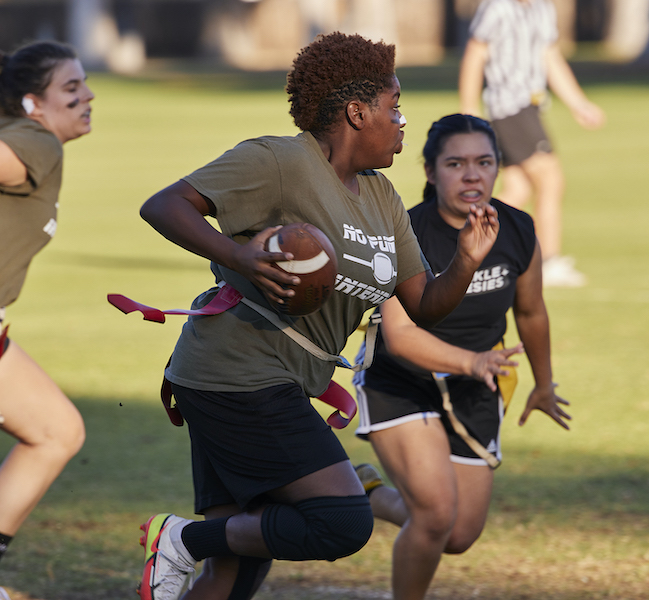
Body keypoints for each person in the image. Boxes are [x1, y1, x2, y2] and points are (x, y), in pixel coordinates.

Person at [135, 33, 499, 600]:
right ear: (357, 112)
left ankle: (193, 541)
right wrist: (239, 256)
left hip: (269, 383)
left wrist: (468, 262)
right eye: (394, 106)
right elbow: (163, 205)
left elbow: (424, 302)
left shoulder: (381, 196)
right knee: (342, 519)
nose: (402, 120)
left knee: (238, 572)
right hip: (235, 374)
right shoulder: (279, 161)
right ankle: (184, 539)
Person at [352, 113, 571, 600]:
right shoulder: (402, 233)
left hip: (477, 385)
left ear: (498, 168)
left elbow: (532, 312)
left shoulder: (517, 229)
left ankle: (368, 496)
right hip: (400, 381)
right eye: (456, 163)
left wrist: (543, 383)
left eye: (484, 162)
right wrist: (472, 361)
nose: (472, 174)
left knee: (457, 534)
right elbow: (403, 337)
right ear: (431, 171)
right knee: (433, 516)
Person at [0, 40, 91, 590]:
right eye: (72, 89)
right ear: (34, 103)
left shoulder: (32, 138)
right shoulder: (37, 141)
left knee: (56, 430)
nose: (88, 97)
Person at [459, 0, 605, 288]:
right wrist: (469, 109)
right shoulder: (497, 8)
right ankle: (547, 261)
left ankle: (466, 253)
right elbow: (475, 55)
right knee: (551, 180)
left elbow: (550, 57)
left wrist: (578, 103)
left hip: (532, 105)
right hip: (509, 109)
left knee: (518, 189)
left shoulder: (542, 8)